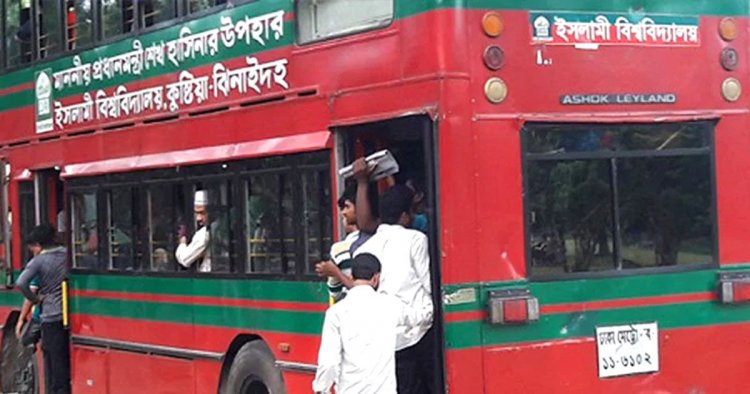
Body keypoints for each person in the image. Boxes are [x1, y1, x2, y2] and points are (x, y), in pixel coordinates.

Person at [352, 160, 435, 394]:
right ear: (405, 216)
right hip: (416, 333)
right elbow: (428, 283)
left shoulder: (363, 249)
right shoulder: (416, 239)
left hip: (383, 338)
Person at [313, 253, 414, 394]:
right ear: (376, 278)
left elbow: (328, 362)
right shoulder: (392, 305)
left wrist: (321, 389)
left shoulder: (336, 313)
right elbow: (417, 318)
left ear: (352, 277)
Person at [16, 223, 70, 394]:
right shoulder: (67, 255)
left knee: (53, 361)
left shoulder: (39, 261)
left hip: (51, 315)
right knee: (64, 358)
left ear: (38, 245)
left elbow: (21, 282)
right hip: (70, 313)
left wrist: (36, 299)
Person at [315, 184, 359, 303]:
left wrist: (334, 271)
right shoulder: (383, 239)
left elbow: (335, 292)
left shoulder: (339, 250)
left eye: (346, 207)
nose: (343, 213)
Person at [175, 190, 211, 272]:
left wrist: (182, 242)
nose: (199, 218)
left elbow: (185, 259)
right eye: (196, 213)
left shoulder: (204, 234)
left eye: (202, 213)